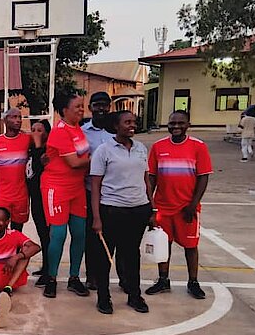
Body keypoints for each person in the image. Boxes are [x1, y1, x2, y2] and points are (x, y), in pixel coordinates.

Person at [145, 110, 213, 300]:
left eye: (180, 123)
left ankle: (193, 282)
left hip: (187, 208)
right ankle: (163, 280)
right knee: (163, 244)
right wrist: (151, 205)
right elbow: (152, 177)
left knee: (190, 246)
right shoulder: (158, 146)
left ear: (188, 125)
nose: (176, 127)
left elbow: (203, 177)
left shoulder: (198, 146)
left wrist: (193, 204)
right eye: (172, 123)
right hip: (163, 207)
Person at [89, 111, 153, 315]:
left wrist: (151, 208)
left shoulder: (141, 148)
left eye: (134, 122)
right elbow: (95, 185)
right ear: (116, 126)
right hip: (112, 210)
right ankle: (103, 297)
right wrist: (97, 217)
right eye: (127, 122)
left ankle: (134, 295)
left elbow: (146, 180)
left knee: (132, 254)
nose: (132, 125)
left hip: (138, 210)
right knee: (105, 256)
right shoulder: (104, 150)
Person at [41, 94, 91, 299]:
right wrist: (98, 158)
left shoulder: (78, 128)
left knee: (79, 234)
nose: (81, 109)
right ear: (64, 110)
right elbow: (75, 162)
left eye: (82, 106)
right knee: (59, 235)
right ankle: (51, 278)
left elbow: (81, 158)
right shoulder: (60, 131)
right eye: (77, 106)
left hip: (77, 188)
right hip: (57, 188)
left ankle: (74, 278)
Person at [81, 92, 117, 291]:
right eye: (97, 105)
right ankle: (91, 276)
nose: (101, 108)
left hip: (114, 192)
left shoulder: (117, 130)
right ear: (90, 108)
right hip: (89, 190)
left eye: (104, 105)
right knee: (92, 235)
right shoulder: (82, 132)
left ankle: (121, 277)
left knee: (114, 236)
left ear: (110, 107)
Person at [0, 107, 31, 231]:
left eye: (20, 117)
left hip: (21, 195)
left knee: (17, 230)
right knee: (0, 228)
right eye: (14, 117)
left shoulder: (28, 139)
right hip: (2, 195)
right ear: (5, 120)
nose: (18, 120)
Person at [28, 120, 51, 287]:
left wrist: (37, 144)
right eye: (33, 130)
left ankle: (49, 272)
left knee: (48, 235)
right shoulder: (31, 149)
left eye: (39, 130)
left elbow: (38, 167)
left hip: (45, 197)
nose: (35, 133)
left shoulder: (46, 151)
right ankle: (45, 266)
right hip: (35, 198)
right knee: (42, 234)